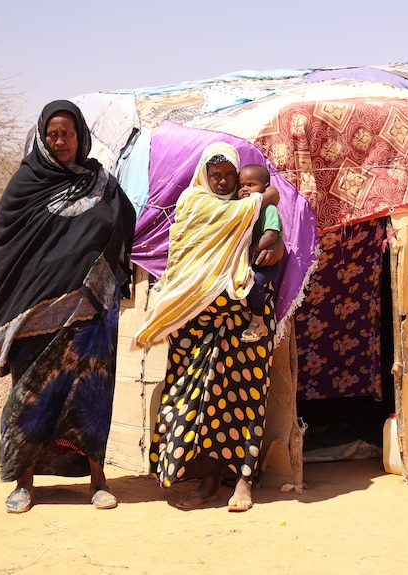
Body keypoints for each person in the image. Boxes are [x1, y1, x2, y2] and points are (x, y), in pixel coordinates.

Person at [0, 100, 137, 514]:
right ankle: (24, 483)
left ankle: (98, 481)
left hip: (92, 310)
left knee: (91, 394)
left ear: (80, 137)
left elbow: (126, 226)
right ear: (42, 136)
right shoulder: (24, 185)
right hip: (35, 313)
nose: (60, 142)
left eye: (67, 134)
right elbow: (6, 245)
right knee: (32, 397)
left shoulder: (101, 183)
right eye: (53, 134)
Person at [132, 142, 284, 512]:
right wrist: (265, 197)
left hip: (240, 319)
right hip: (195, 320)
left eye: (229, 175)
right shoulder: (193, 203)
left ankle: (244, 482)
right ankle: (208, 480)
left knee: (243, 399)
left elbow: (268, 219)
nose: (221, 181)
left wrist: (274, 238)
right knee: (194, 400)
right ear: (203, 174)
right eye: (215, 174)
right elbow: (192, 252)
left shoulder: (247, 208)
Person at [236, 163, 282, 343]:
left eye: (251, 185)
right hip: (244, 260)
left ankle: (258, 321)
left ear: (266, 187)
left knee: (256, 281)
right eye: (241, 186)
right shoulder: (239, 208)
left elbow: (270, 235)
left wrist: (250, 252)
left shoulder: (268, 209)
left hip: (262, 262)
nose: (245, 190)